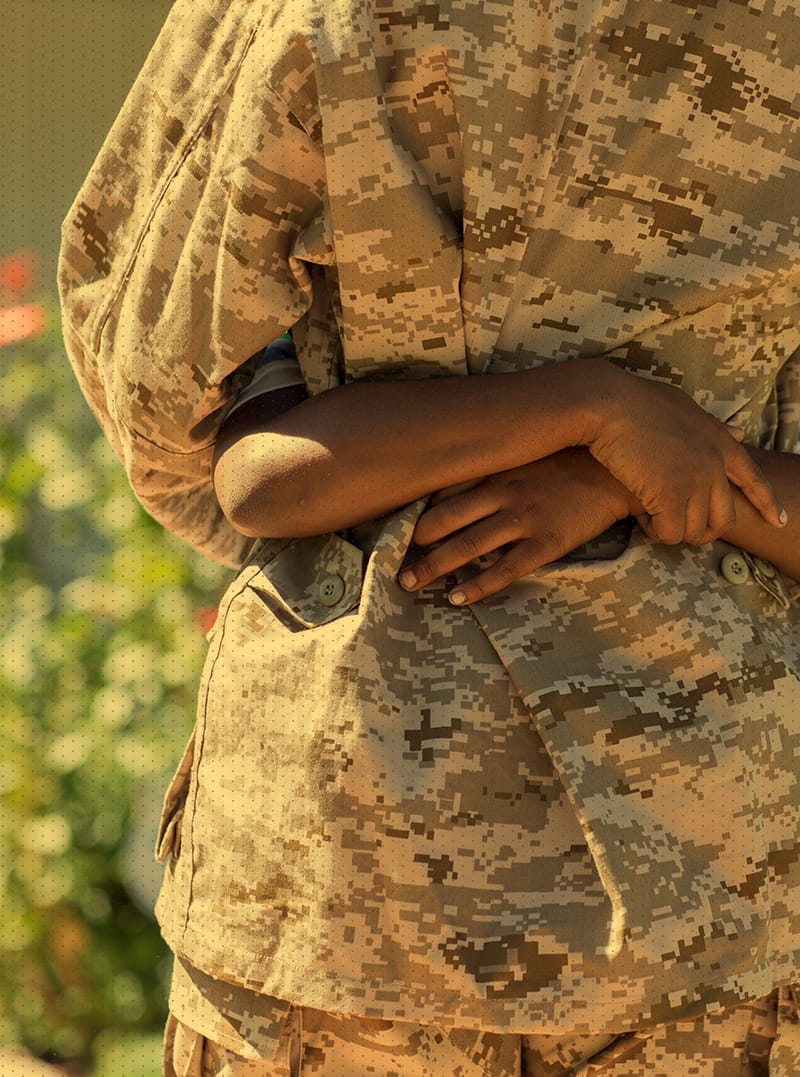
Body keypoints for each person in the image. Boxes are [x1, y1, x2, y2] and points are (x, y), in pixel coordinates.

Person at [59, 0, 800, 1072]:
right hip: (707, 897)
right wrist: (631, 447)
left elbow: (193, 428)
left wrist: (596, 430)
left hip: (341, 904)